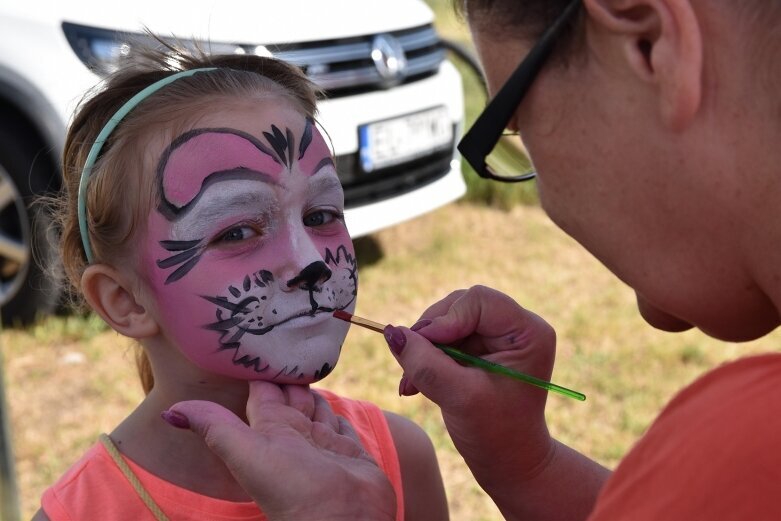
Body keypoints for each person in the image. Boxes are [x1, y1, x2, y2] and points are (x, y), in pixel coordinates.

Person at [165, 0, 781, 519]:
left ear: (650, 42)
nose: (310, 264)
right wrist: (525, 463)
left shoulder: (750, 448)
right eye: (241, 227)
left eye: (512, 125)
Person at [33, 44, 449, 521]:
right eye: (236, 232)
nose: (310, 261)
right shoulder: (83, 514)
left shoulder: (397, 457)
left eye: (321, 214)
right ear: (125, 299)